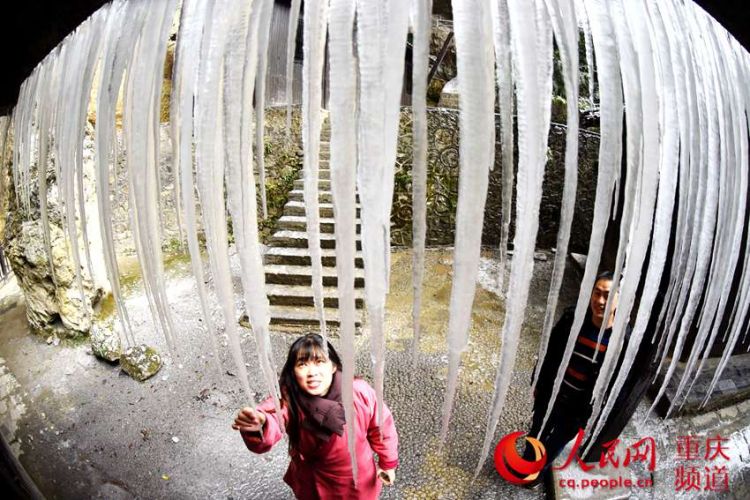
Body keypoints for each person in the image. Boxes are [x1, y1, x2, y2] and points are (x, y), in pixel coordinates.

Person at [232, 333, 398, 499]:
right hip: (315, 480)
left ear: (333, 367)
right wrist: (259, 424)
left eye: (319, 362)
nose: (312, 372)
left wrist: (388, 463)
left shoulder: (358, 391)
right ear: (293, 371)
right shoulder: (289, 399)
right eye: (302, 364)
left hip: (356, 477)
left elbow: (382, 427)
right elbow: (273, 418)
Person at [525, 271, 638, 475]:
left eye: (608, 295)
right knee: (536, 433)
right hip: (551, 396)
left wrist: (594, 417)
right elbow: (549, 353)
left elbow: (618, 388)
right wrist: (538, 383)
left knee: (554, 443)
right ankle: (524, 464)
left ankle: (536, 475)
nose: (600, 300)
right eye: (597, 293)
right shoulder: (572, 320)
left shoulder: (623, 343)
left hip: (577, 410)